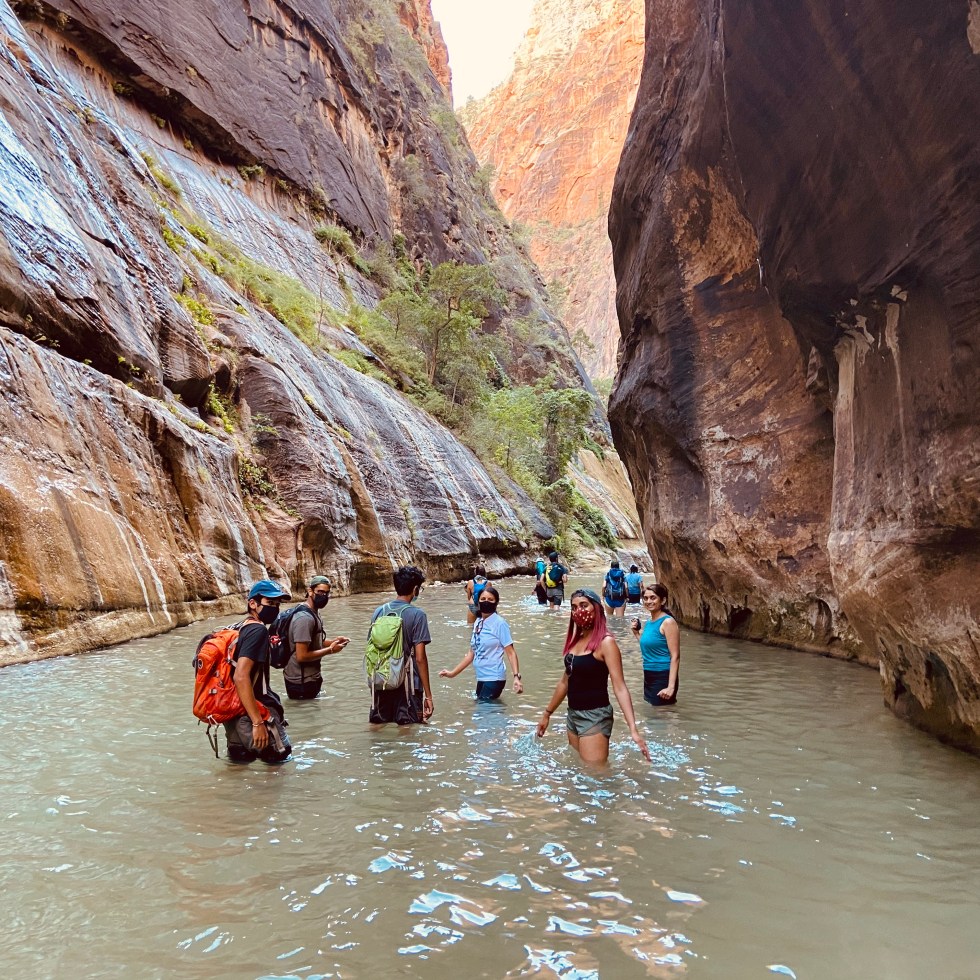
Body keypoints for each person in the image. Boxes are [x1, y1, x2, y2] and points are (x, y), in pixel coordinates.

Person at [536, 588, 650, 765]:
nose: (578, 611)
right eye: (574, 607)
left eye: (584, 605)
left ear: (596, 609)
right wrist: (547, 714)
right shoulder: (576, 641)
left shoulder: (606, 643)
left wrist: (633, 729)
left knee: (595, 773)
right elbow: (564, 683)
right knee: (578, 769)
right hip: (573, 715)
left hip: (595, 717)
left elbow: (619, 687)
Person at [225, 579, 292, 764]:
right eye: (270, 602)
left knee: (238, 766)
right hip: (256, 711)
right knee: (278, 763)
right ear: (252, 603)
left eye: (277, 604)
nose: (275, 608)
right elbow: (240, 676)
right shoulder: (258, 630)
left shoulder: (236, 628)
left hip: (232, 713)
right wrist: (257, 721)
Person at [369, 565, 434, 725]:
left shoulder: (379, 612)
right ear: (415, 589)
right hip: (408, 684)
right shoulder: (418, 615)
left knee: (379, 725)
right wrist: (428, 696)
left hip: (381, 680)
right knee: (408, 729)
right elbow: (420, 658)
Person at [439, 586, 524, 701]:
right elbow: (471, 654)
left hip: (494, 677)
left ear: (496, 603)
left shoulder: (500, 623)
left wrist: (516, 677)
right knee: (483, 709)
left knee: (484, 709)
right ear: (478, 602)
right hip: (481, 677)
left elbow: (511, 652)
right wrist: (452, 673)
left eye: (490, 599)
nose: (486, 602)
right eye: (483, 599)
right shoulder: (478, 622)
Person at [282, 575, 350, 700]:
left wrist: (333, 642)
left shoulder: (313, 613)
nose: (323, 596)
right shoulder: (305, 619)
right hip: (301, 682)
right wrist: (330, 650)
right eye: (320, 592)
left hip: (309, 679)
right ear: (310, 591)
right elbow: (301, 656)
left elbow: (312, 642)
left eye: (326, 593)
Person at [631, 583, 680, 706]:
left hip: (663, 675)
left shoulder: (668, 622)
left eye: (653, 598)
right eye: (646, 598)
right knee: (654, 713)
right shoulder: (649, 622)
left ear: (663, 600)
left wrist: (671, 687)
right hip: (649, 674)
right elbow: (649, 647)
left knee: (663, 713)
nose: (648, 601)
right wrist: (636, 634)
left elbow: (675, 656)